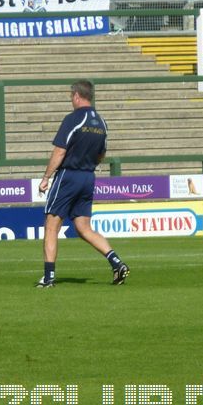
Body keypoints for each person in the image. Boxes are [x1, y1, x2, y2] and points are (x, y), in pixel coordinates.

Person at [36, 80, 129, 288]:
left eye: (71, 96)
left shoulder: (74, 119)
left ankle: (48, 277)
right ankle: (116, 263)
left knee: (51, 226)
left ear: (77, 95)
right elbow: (102, 154)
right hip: (88, 176)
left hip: (68, 175)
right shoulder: (101, 122)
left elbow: (60, 151)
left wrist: (46, 177)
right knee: (83, 227)